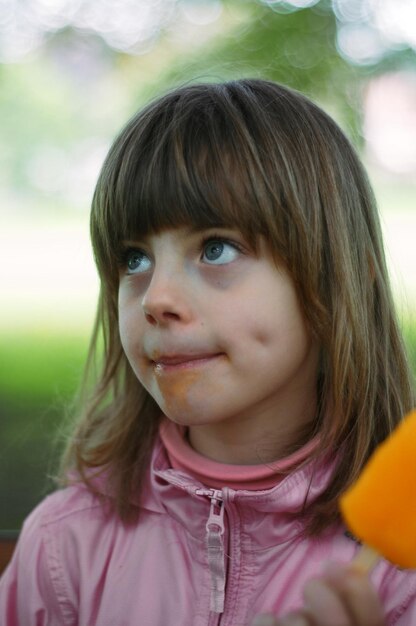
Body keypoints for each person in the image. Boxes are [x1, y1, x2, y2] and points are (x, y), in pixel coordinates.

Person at [0, 78, 415, 626]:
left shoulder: (394, 572)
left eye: (215, 248)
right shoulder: (65, 546)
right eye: (133, 259)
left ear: (337, 282)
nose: (157, 298)